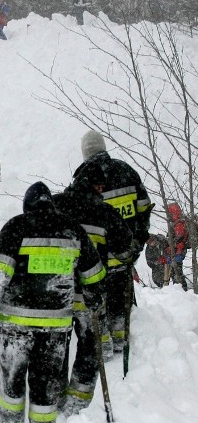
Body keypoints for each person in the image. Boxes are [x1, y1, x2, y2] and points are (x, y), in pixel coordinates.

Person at [0, 182, 105, 423]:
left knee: (12, 378)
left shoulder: (16, 227)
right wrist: (95, 298)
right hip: (55, 325)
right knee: (46, 382)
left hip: (16, 323)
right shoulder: (71, 230)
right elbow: (94, 274)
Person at [52, 162, 133, 412]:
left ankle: (53, 398)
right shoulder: (105, 212)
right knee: (89, 347)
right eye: (101, 186)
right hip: (91, 294)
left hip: (57, 293)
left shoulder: (54, 205)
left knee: (56, 347)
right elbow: (125, 249)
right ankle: (78, 402)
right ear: (97, 186)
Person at [75, 130, 152, 354]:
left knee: (100, 305)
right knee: (123, 302)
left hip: (98, 261)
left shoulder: (83, 178)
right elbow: (144, 208)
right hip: (125, 256)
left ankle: (105, 346)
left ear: (85, 152)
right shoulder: (127, 172)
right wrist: (137, 243)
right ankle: (122, 340)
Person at [164, 202, 190, 290]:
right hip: (177, 251)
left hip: (178, 252)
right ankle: (181, 289)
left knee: (176, 273)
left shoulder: (178, 224)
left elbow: (179, 240)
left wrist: (173, 250)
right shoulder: (178, 222)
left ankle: (182, 290)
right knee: (176, 272)